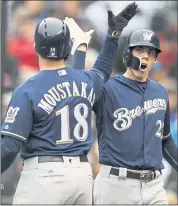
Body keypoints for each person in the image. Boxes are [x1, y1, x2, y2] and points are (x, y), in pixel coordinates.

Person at [1, 2, 138, 204]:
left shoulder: (27, 89)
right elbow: (102, 70)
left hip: (45, 176)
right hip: (82, 175)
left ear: (35, 46)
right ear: (67, 47)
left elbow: (11, 144)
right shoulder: (84, 80)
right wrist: (113, 35)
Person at [72, 28, 178, 204]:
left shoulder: (160, 92)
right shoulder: (108, 88)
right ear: (127, 54)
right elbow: (78, 92)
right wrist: (80, 50)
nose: (145, 56)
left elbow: (165, 139)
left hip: (154, 186)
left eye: (150, 52)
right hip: (116, 185)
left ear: (156, 58)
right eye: (139, 50)